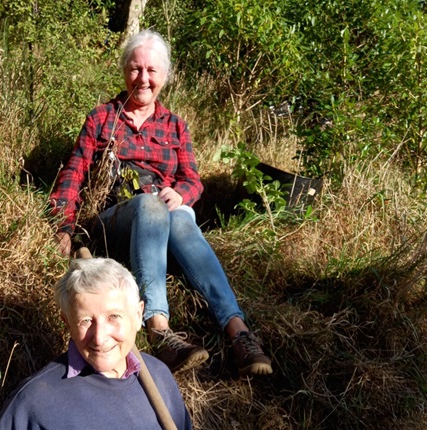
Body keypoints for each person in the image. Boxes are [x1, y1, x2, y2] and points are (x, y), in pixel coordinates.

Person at [49, 29, 273, 376]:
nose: (143, 78)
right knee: (150, 205)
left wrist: (181, 193)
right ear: (124, 71)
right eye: (136, 69)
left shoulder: (176, 127)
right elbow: (74, 174)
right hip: (116, 219)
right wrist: (64, 226)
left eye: (152, 71)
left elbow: (193, 180)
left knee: (181, 218)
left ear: (164, 76)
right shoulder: (101, 118)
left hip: (165, 224)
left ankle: (239, 334)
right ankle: (158, 328)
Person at [0, 257, 192, 429]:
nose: (99, 337)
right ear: (67, 322)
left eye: (113, 316)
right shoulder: (35, 402)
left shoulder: (159, 376)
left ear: (138, 314)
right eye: (86, 320)